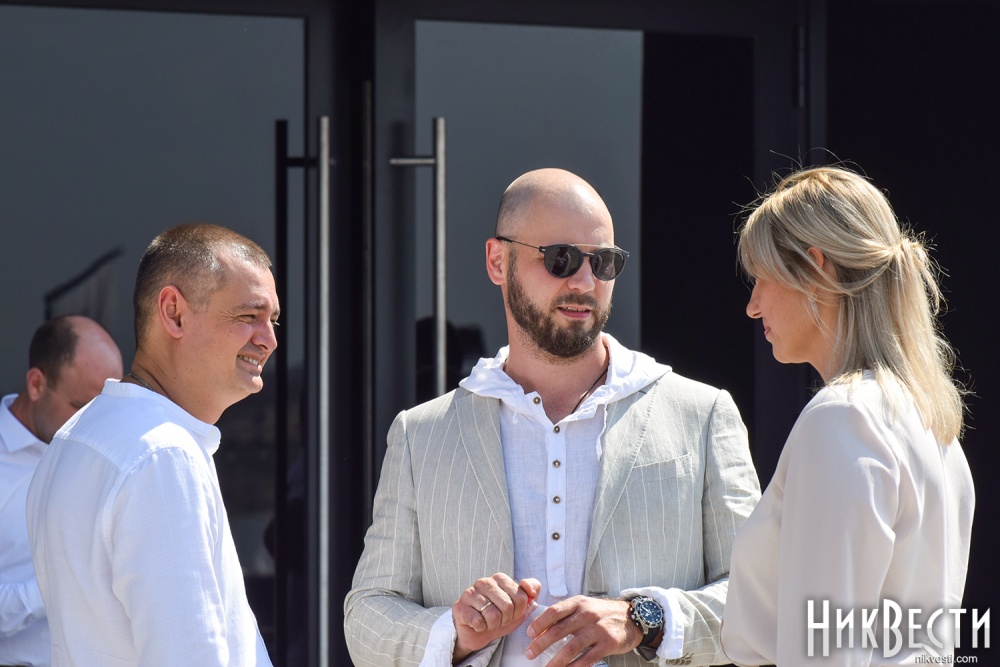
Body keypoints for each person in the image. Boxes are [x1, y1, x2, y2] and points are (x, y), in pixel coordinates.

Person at [344, 168, 761, 667]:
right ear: (498, 261)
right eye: (560, 258)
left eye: (603, 262)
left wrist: (643, 619)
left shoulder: (702, 415)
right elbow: (367, 615)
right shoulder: (422, 435)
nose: (584, 282)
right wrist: (453, 633)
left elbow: (762, 600)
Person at [721, 166, 975, 665]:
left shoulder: (842, 419)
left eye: (762, 277)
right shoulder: (933, 425)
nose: (753, 305)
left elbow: (825, 651)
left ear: (815, 270)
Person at [26, 224, 280, 666]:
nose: (269, 340)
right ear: (174, 313)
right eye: (248, 316)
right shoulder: (163, 456)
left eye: (273, 320)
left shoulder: (75, 439)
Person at [1, 316, 122, 667]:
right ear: (36, 384)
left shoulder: (110, 455)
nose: (94, 425)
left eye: (105, 410)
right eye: (80, 407)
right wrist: (59, 583)